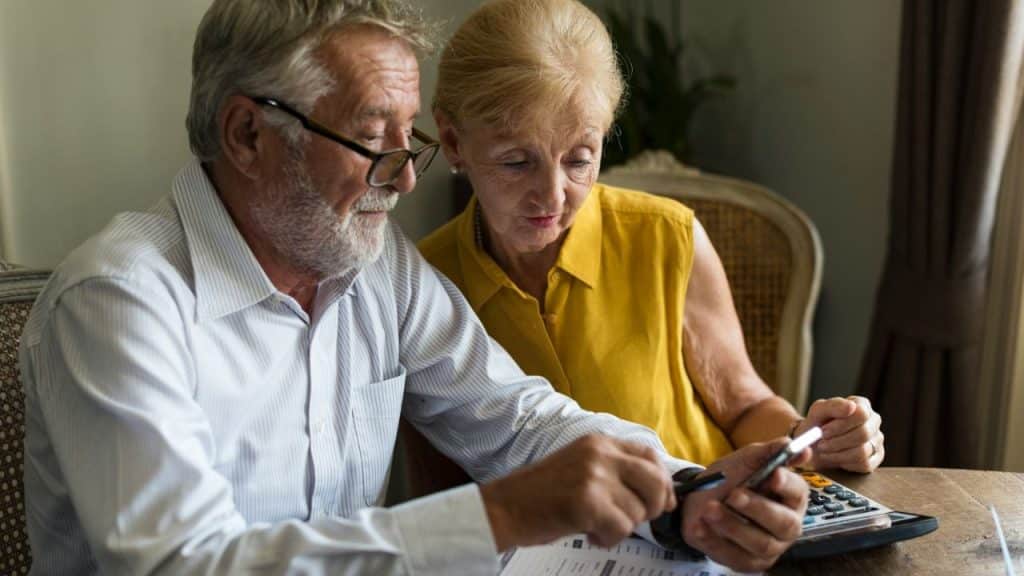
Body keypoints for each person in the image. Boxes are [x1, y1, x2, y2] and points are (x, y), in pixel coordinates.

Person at [20, 1, 809, 574]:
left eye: (410, 143)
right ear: (247, 134)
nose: (401, 181)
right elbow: (180, 567)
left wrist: (688, 488)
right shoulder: (119, 302)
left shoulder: (374, 263)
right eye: (370, 143)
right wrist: (502, 512)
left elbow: (517, 418)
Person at [414, 0, 885, 485]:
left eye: (579, 160)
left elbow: (746, 407)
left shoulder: (667, 238)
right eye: (516, 162)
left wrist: (810, 436)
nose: (552, 195)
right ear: (452, 141)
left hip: (706, 532)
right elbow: (438, 493)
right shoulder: (421, 285)